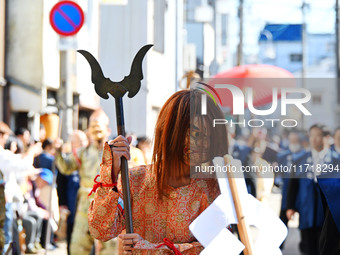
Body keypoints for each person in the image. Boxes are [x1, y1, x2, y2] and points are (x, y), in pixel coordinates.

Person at [88, 89, 229, 254]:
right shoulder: (135, 180)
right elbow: (101, 230)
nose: (203, 144)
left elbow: (219, 247)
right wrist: (110, 175)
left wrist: (151, 249)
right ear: (171, 131)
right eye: (196, 133)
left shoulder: (212, 188)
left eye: (209, 136)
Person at [55, 109, 116, 254]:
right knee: (78, 247)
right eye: (92, 127)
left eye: (99, 126)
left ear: (108, 130)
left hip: (109, 204)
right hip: (85, 205)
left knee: (110, 248)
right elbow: (66, 167)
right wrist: (58, 152)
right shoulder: (83, 152)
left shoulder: (115, 151)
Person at [286, 124, 335, 255]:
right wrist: (290, 206)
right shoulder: (300, 159)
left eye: (318, 135)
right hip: (306, 209)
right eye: (311, 135)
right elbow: (293, 184)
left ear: (326, 138)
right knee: (307, 245)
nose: (314, 139)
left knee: (326, 245)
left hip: (327, 212)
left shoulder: (335, 160)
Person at [276, 130, 302, 249]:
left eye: (296, 140)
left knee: (305, 224)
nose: (294, 143)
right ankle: (279, 247)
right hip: (287, 193)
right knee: (282, 223)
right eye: (292, 140)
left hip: (302, 195)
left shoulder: (305, 156)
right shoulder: (283, 156)